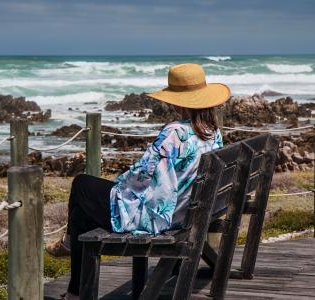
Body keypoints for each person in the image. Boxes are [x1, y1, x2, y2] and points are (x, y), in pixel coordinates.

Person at [46, 63, 230, 300]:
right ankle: (74, 292)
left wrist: (120, 184)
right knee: (81, 217)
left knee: (82, 183)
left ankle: (69, 244)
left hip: (163, 217)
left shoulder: (174, 132)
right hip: (190, 212)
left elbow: (142, 176)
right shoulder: (212, 131)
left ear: (175, 100)